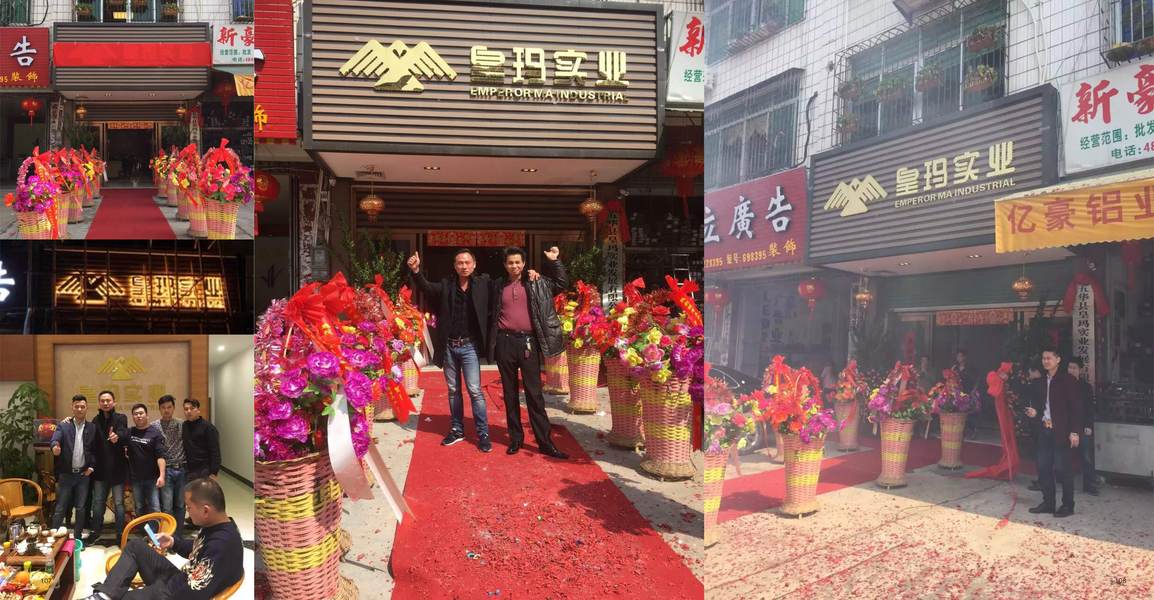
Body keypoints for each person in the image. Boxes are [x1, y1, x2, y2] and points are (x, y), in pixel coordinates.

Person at [82, 477, 244, 600]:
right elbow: (198, 548)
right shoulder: (218, 525)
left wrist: (155, 591)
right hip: (179, 580)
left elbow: (193, 593)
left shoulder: (221, 546)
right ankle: (104, 596)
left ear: (206, 510)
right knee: (135, 546)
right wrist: (173, 542)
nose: (187, 511)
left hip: (177, 593)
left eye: (189, 507)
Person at [408, 249, 495, 451]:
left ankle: (483, 433)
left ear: (474, 264)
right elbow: (427, 288)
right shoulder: (447, 285)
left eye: (467, 262)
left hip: (470, 346)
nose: (464, 266)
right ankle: (457, 429)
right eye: (460, 263)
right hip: (449, 346)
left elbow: (503, 287)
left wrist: (529, 275)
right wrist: (416, 271)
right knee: (454, 390)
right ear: (455, 266)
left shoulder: (483, 284)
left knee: (474, 390)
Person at [489, 246, 569, 459]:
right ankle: (516, 439)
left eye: (518, 262)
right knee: (510, 394)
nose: (514, 266)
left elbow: (561, 284)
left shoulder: (536, 282)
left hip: (528, 343)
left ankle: (545, 442)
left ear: (524, 263)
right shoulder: (498, 285)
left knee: (534, 394)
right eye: (510, 262)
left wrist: (554, 262)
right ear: (505, 265)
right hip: (505, 342)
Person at [1025, 347, 1082, 517]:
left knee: (1063, 470)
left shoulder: (1068, 380)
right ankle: (1048, 503)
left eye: (1049, 358)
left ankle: (1068, 505)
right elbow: (1039, 406)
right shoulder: (1040, 381)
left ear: (1058, 360)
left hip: (1062, 432)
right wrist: (1034, 413)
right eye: (1044, 358)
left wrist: (1075, 431)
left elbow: (1076, 408)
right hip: (1044, 429)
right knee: (1043, 468)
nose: (1045, 361)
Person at [49, 395, 97, 536]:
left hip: (83, 475)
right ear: (72, 408)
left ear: (87, 408)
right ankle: (55, 538)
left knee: (81, 507)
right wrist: (55, 447)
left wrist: (91, 467)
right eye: (77, 406)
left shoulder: (92, 427)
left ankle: (77, 536)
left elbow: (95, 450)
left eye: (82, 406)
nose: (79, 409)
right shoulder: (64, 425)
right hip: (66, 474)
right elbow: (55, 440)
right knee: (61, 507)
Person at [88, 390, 129, 547]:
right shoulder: (95, 421)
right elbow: (92, 444)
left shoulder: (121, 418)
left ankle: (120, 534)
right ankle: (96, 532)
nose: (105, 403)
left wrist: (117, 436)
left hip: (117, 469)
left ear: (114, 402)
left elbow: (124, 433)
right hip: (100, 471)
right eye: (103, 401)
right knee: (98, 503)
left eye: (108, 400)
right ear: (99, 403)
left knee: (119, 504)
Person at [965, 363, 1019, 480]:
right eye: (1006, 373)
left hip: (1008, 413)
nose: (1007, 376)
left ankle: (1009, 466)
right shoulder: (998, 382)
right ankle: (1007, 466)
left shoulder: (1006, 383)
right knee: (1007, 438)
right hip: (1004, 413)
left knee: (1010, 439)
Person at [152, 395, 187, 535]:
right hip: (165, 470)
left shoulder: (182, 424)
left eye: (169, 407)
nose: (166, 410)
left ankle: (178, 535)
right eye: (163, 407)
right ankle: (168, 535)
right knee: (167, 506)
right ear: (159, 409)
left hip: (182, 468)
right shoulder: (154, 426)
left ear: (173, 408)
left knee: (180, 504)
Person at [127, 404, 166, 519]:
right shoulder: (129, 432)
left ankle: (155, 530)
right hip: (135, 478)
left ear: (147, 415)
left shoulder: (155, 433)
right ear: (133, 417)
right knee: (139, 507)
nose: (138, 416)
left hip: (152, 478)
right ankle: (143, 529)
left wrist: (162, 476)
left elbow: (160, 457)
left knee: (155, 507)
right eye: (135, 414)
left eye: (141, 413)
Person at [1067, 357, 1099, 496]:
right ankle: (1065, 481)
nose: (1071, 370)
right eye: (1069, 367)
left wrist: (1088, 425)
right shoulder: (1062, 386)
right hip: (1066, 426)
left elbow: (1090, 408)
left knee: (1086, 456)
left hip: (1082, 426)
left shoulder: (1086, 387)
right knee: (1065, 455)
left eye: (1074, 368)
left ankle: (1089, 484)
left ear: (1080, 370)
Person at [182, 399, 220, 481]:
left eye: (192, 408)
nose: (189, 411)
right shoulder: (184, 425)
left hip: (204, 469)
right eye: (186, 409)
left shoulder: (208, 427)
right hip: (189, 469)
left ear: (198, 410)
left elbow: (215, 451)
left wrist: (214, 472)